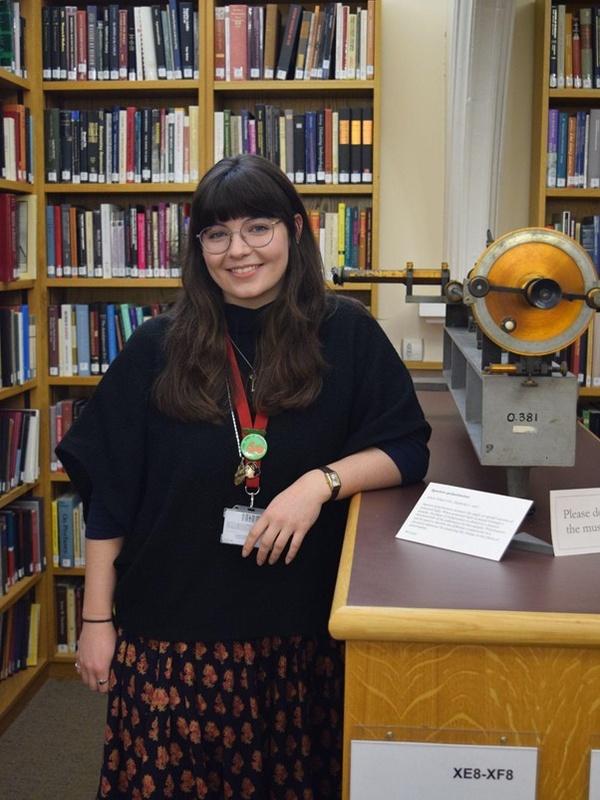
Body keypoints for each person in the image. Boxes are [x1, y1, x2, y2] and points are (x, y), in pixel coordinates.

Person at [56, 153, 431, 800]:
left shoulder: (345, 333)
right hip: (173, 636)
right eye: (217, 233)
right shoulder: (156, 347)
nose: (238, 250)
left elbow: (405, 449)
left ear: (295, 230)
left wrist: (318, 484)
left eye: (258, 227)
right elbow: (110, 495)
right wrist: (95, 622)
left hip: (300, 635)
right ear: (198, 246)